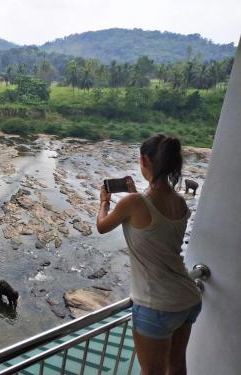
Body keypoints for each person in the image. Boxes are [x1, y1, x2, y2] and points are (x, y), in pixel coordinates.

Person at [96, 134, 202, 375]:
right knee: (176, 366)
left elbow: (102, 226)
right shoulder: (180, 202)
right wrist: (135, 192)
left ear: (144, 160)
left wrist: (104, 202)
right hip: (188, 298)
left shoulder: (134, 203)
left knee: (151, 371)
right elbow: (157, 226)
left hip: (156, 304)